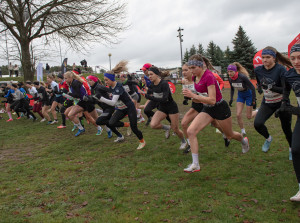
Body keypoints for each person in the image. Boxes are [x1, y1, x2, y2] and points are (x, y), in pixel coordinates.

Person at [182, 54, 249, 173]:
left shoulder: (209, 76)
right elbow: (202, 97)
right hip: (207, 109)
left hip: (220, 108)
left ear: (201, 66)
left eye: (193, 68)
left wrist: (193, 95)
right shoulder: (194, 77)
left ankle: (244, 141)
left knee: (230, 135)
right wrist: (190, 97)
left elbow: (212, 99)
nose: (191, 71)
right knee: (191, 131)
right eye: (189, 68)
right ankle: (195, 164)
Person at [254, 46, 293, 159]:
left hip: (282, 103)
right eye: (263, 57)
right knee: (258, 124)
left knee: (286, 129)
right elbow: (259, 82)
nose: (265, 60)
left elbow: (285, 89)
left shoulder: (280, 69)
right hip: (267, 102)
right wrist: (260, 87)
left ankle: (291, 148)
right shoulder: (258, 70)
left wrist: (271, 87)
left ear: (274, 58)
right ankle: (268, 138)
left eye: (268, 57)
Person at [98, 60, 146, 150]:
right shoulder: (111, 87)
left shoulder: (118, 86)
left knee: (135, 128)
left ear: (112, 79)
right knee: (111, 123)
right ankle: (127, 124)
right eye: (104, 80)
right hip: (121, 108)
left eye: (106, 80)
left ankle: (142, 141)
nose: (105, 82)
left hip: (129, 107)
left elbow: (112, 102)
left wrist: (101, 98)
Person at [275, 44, 300, 201]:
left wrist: (292, 110)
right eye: (293, 58)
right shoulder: (290, 75)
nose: (296, 61)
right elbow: (286, 90)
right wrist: (284, 104)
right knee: (296, 150)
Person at [146, 66, 187, 149]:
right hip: (162, 108)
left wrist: (150, 97)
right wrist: (146, 93)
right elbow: (149, 93)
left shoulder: (164, 84)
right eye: (148, 75)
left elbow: (164, 99)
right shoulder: (151, 85)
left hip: (171, 107)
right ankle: (167, 128)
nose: (149, 76)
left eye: (151, 74)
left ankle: (184, 141)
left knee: (175, 129)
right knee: (153, 125)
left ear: (157, 75)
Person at [228, 62, 257, 136]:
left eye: (231, 71)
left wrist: (254, 99)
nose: (229, 73)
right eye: (228, 71)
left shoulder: (242, 77)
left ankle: (257, 111)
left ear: (235, 71)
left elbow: (252, 87)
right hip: (240, 95)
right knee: (238, 114)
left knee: (249, 116)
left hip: (248, 95)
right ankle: (243, 130)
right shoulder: (230, 79)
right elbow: (232, 89)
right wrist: (231, 99)